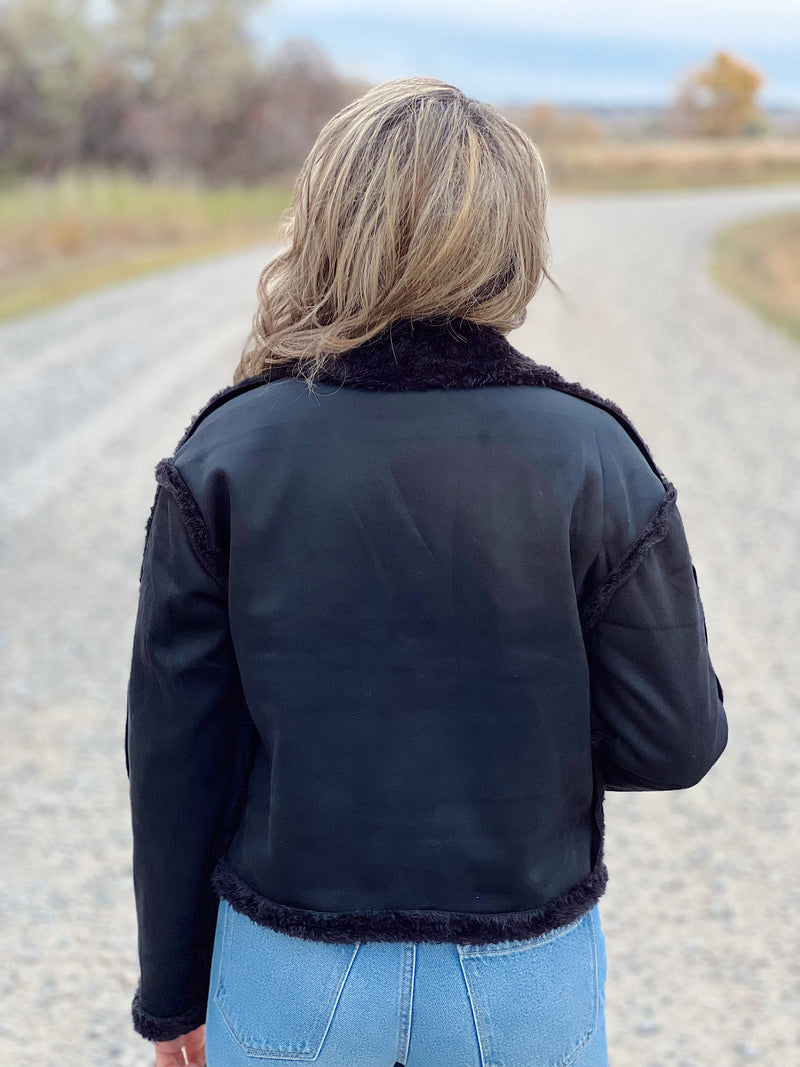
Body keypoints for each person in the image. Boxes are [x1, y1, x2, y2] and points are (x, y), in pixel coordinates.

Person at [125, 77, 727, 1067]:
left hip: (290, 965)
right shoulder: (592, 452)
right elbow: (674, 741)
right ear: (510, 237)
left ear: (327, 219)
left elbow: (175, 754)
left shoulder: (227, 450)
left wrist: (170, 990)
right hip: (521, 972)